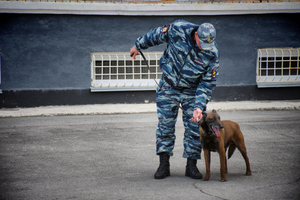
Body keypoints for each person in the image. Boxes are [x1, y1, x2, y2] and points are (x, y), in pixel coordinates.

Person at [130, 20, 219, 179]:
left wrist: (199, 106)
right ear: (196, 34)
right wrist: (138, 45)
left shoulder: (212, 53)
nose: (202, 47)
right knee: (165, 126)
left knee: (193, 127)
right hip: (168, 85)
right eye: (201, 43)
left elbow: (207, 83)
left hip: (192, 90)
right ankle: (164, 164)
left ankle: (191, 166)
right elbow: (156, 35)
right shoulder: (178, 29)